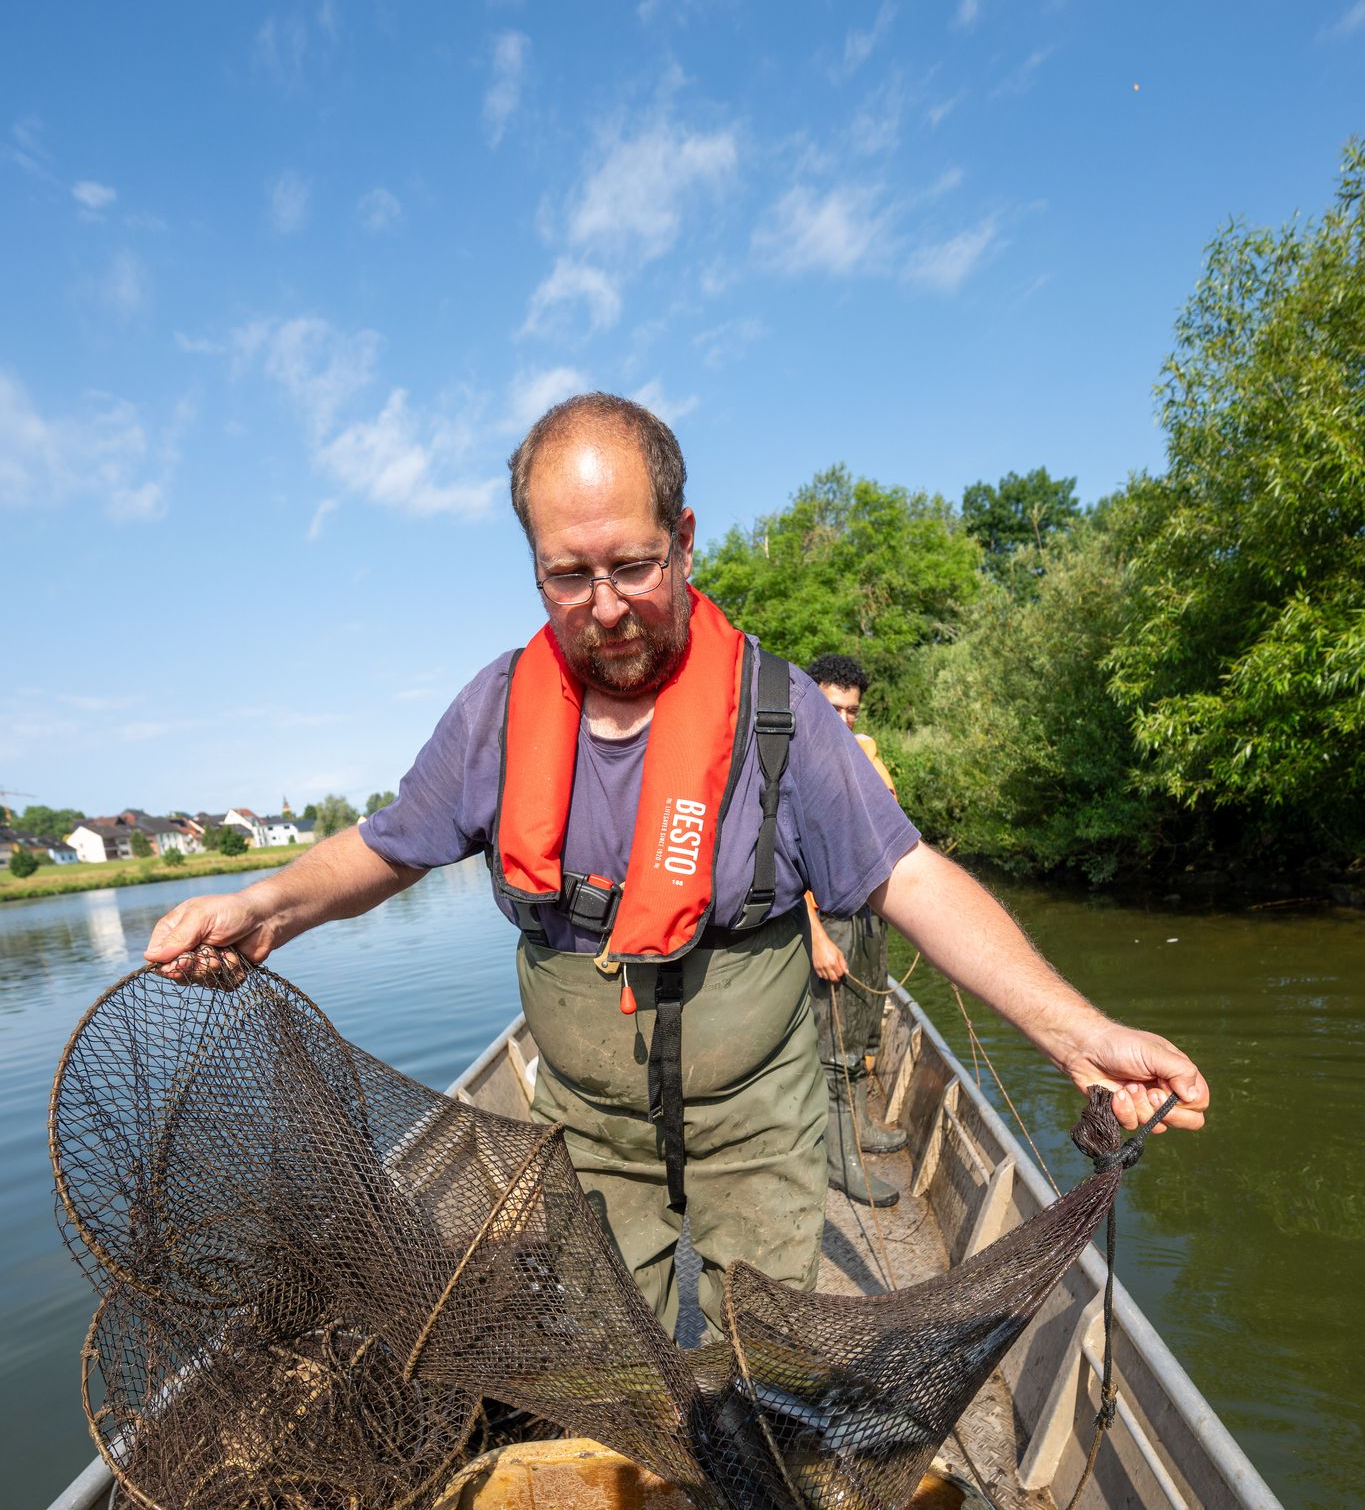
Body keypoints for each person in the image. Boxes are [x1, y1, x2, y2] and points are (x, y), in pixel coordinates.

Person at [145, 392, 1209, 1343]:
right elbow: (386, 845)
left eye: (631, 565)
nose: (604, 604)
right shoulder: (498, 712)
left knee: (773, 1362)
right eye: (568, 574)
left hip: (760, 1115)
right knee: (615, 1366)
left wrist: (1082, 1035)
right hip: (587, 1127)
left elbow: (914, 881)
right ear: (535, 568)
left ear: (685, 541)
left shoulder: (779, 714)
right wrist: (266, 904)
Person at [803, 653, 905, 1211]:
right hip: (830, 921)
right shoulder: (790, 763)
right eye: (832, 707)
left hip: (868, 918)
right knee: (835, 1044)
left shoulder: (861, 756)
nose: (843, 719)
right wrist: (815, 935)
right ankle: (839, 1161)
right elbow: (782, 867)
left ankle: (860, 1127)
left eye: (851, 710)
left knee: (865, 1033)